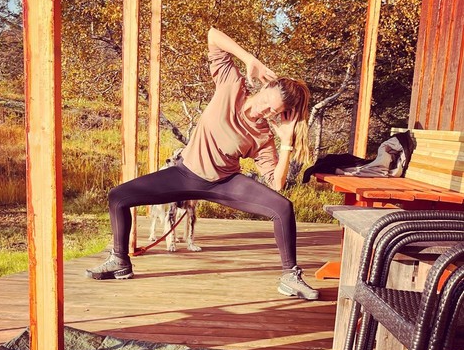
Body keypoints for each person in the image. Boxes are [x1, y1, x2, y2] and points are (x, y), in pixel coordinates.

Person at [86, 26, 319, 301]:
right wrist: (248, 59)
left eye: (274, 111)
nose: (264, 110)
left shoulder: (263, 135)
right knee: (118, 196)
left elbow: (276, 183)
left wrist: (287, 143)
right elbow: (212, 35)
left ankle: (290, 276)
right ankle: (119, 262)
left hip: (223, 183)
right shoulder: (231, 85)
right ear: (264, 87)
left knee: (282, 208)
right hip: (184, 174)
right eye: (267, 101)